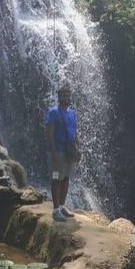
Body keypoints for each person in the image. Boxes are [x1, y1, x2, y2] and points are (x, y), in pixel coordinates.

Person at [45, 83, 79, 222]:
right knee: (56, 179)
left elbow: (75, 130)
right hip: (58, 152)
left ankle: (63, 206)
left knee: (66, 178)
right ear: (58, 97)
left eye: (68, 94)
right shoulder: (53, 112)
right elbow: (49, 133)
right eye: (63, 94)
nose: (66, 97)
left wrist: (78, 144)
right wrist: (53, 152)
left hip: (69, 152)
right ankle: (55, 209)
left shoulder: (72, 113)